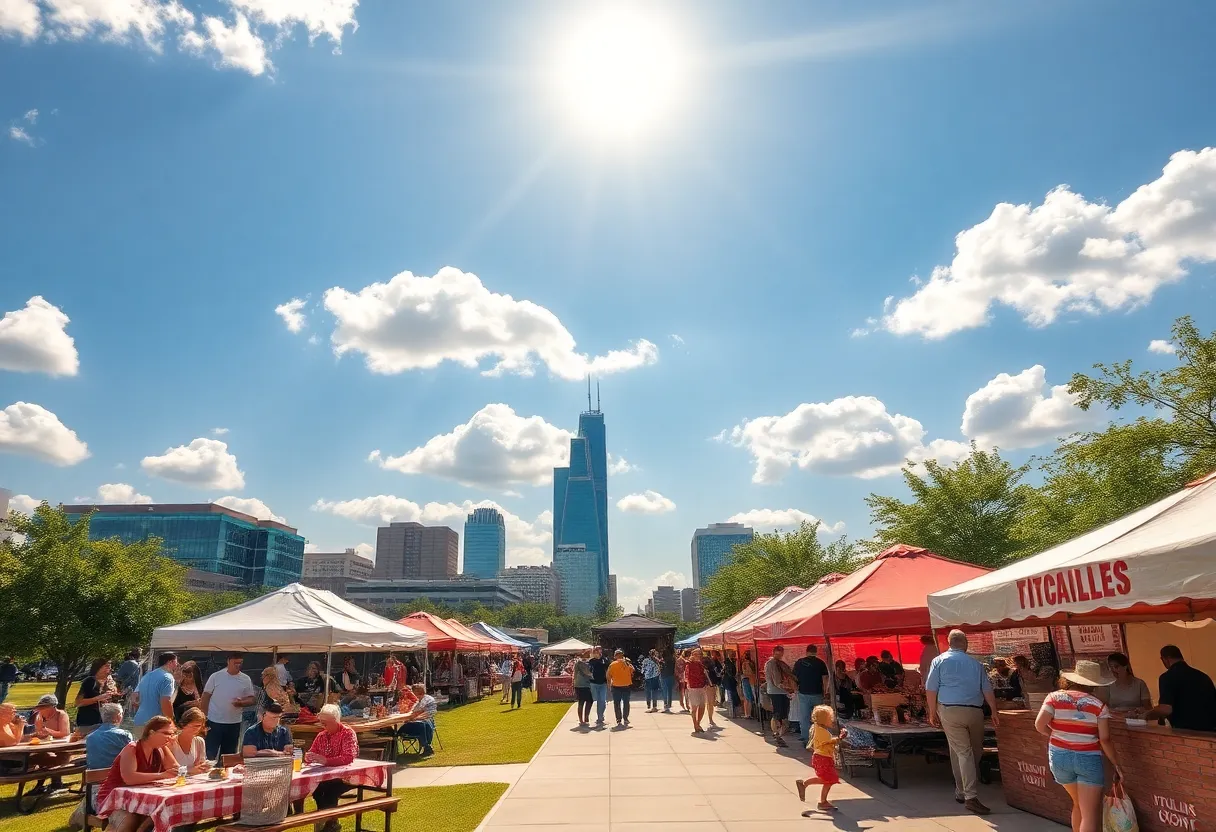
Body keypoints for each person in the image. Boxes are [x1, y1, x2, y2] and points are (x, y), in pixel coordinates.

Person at [1036, 661, 1124, 832]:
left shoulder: (1053, 698)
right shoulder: (1099, 706)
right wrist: (1117, 764)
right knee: (1090, 814)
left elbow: (1039, 725)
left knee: (1078, 804)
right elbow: (1105, 739)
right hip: (1088, 758)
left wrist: (1057, 736)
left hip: (1059, 757)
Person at [925, 629, 999, 815]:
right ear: (965, 644)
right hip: (974, 710)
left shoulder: (939, 660)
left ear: (949, 643)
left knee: (961, 752)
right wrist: (994, 710)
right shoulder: (976, 664)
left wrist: (932, 712)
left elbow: (931, 688)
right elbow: (987, 689)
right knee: (972, 751)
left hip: (949, 710)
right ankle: (969, 795)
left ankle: (964, 791)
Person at [95, 715, 178, 832]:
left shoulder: (160, 748)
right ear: (151, 732)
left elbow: (175, 769)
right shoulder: (132, 748)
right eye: (166, 733)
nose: (169, 737)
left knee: (160, 813)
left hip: (140, 799)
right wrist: (162, 775)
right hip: (114, 800)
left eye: (171, 734)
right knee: (131, 818)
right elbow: (129, 778)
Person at [306, 704, 359, 831]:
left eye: (325, 723)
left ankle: (328, 823)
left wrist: (326, 761)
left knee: (329, 790)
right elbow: (311, 752)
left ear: (335, 721)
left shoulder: (347, 733)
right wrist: (309, 757)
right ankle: (329, 823)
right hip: (326, 777)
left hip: (347, 776)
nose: (323, 726)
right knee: (318, 789)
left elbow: (348, 757)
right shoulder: (321, 736)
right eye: (321, 723)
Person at [1144, 645, 1216, 732]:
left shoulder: (1167, 677)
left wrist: (1146, 714)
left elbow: (1166, 709)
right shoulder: (1202, 676)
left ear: (1166, 659)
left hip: (1186, 730)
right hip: (1211, 729)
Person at [200, 653, 257, 759]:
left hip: (234, 722)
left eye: (240, 663)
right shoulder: (216, 676)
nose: (238, 665)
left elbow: (252, 699)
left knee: (229, 755)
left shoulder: (245, 679)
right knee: (209, 753)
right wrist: (203, 718)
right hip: (214, 721)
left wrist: (241, 703)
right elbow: (205, 696)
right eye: (235, 663)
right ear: (228, 661)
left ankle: (225, 773)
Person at [795, 704, 847, 812]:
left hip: (820, 756)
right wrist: (840, 737)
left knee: (827, 779)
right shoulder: (823, 732)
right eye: (830, 718)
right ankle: (820, 799)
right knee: (828, 779)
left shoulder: (816, 727)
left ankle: (807, 787)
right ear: (824, 719)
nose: (831, 720)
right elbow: (830, 741)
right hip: (823, 758)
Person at [792, 646, 830, 748]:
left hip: (803, 693)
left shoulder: (799, 663)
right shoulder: (820, 663)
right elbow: (825, 678)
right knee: (818, 717)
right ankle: (819, 737)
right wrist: (825, 691)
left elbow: (793, 677)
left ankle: (806, 739)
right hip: (817, 693)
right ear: (815, 652)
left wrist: (796, 688)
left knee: (804, 717)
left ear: (807, 652)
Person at [132, 652, 178, 730]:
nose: (177, 665)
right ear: (170, 662)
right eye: (176, 662)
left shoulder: (146, 676)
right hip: (156, 725)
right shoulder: (168, 678)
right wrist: (171, 722)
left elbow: (134, 696)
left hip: (139, 721)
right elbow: (166, 702)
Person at [76, 658, 118, 736]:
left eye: (110, 667)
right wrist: (99, 698)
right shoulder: (90, 681)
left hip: (104, 723)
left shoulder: (109, 682)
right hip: (88, 722)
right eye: (107, 666)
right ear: (98, 668)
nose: (110, 669)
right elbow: (78, 702)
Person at [85, 703, 133, 771]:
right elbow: (133, 756)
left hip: (93, 777)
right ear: (118, 716)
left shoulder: (90, 737)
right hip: (117, 776)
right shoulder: (124, 735)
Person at [397, 684, 437, 757]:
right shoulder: (421, 699)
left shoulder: (425, 700)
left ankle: (426, 747)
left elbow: (421, 713)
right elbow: (414, 712)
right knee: (422, 724)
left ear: (417, 692)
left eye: (413, 691)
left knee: (421, 725)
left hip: (422, 722)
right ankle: (427, 747)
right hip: (425, 722)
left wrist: (412, 718)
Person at [764, 645, 793, 747]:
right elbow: (777, 681)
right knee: (777, 714)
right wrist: (787, 687)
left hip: (781, 691)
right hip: (776, 691)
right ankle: (777, 733)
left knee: (782, 714)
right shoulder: (771, 664)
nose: (779, 655)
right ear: (774, 652)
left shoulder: (780, 663)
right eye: (778, 653)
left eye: (781, 653)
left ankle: (778, 733)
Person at [170, 707, 210, 773]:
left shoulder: (199, 741)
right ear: (184, 724)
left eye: (199, 726)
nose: (197, 729)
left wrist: (205, 766)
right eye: (194, 726)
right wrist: (190, 770)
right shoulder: (171, 742)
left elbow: (201, 765)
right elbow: (170, 769)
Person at [684, 647, 711, 732]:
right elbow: (687, 676)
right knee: (694, 707)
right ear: (693, 655)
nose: (699, 656)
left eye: (700, 654)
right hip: (693, 688)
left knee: (702, 706)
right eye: (697, 654)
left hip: (701, 687)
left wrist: (706, 682)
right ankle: (695, 724)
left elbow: (703, 674)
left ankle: (698, 723)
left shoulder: (700, 664)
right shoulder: (689, 664)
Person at [608, 649, 634, 728]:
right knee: (626, 703)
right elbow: (632, 671)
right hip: (626, 686)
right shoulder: (627, 663)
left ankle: (618, 720)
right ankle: (625, 719)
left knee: (617, 704)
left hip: (616, 686)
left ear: (615, 656)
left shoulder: (612, 664)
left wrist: (609, 685)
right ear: (622, 655)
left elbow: (608, 676)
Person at [588, 646, 610, 728]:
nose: (595, 653)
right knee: (597, 700)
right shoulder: (591, 661)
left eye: (596, 652)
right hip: (593, 683)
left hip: (603, 683)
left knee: (602, 701)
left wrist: (609, 681)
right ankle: (599, 716)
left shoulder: (604, 660)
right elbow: (589, 671)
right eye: (594, 652)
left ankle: (600, 717)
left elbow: (608, 668)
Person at [573, 650, 593, 726]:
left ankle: (584, 718)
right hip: (582, 684)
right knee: (584, 702)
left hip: (581, 684)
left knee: (586, 701)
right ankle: (583, 719)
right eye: (588, 654)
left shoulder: (580, 663)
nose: (589, 656)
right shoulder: (580, 663)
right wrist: (592, 675)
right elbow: (587, 672)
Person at [703, 652, 722, 727]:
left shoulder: (706, 668)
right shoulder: (711, 668)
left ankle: (710, 718)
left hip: (707, 686)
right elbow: (718, 676)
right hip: (710, 686)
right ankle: (710, 719)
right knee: (710, 703)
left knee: (709, 704)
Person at [739, 652, 757, 719]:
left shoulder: (749, 663)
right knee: (748, 697)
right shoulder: (745, 664)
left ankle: (748, 714)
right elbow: (746, 673)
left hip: (748, 680)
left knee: (748, 697)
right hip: (747, 680)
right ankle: (747, 714)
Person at [660, 647, 677, 713]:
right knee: (670, 691)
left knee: (664, 691)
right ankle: (669, 704)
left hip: (664, 677)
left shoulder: (662, 660)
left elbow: (661, 669)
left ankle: (665, 705)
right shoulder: (673, 660)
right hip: (671, 676)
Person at [722, 652, 739, 717]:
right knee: (731, 697)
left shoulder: (730, 662)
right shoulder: (728, 662)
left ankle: (732, 712)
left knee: (731, 696)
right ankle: (732, 713)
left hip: (730, 681)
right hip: (729, 681)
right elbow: (730, 673)